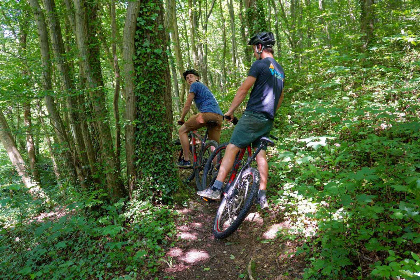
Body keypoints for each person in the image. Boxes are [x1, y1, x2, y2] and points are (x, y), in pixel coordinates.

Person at [197, 32, 285, 209]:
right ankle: (262, 195)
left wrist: (230, 111)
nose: (254, 52)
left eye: (254, 48)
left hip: (253, 115)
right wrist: (270, 113)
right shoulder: (279, 70)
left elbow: (244, 90)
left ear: (260, 47)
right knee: (260, 154)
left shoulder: (260, 64)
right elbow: (280, 97)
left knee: (232, 147)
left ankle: (216, 188)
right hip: (268, 118)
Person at [178, 69, 224, 167]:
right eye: (187, 78)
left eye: (191, 76)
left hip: (207, 114)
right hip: (219, 117)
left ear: (197, 78)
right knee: (214, 145)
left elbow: (187, 104)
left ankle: (186, 160)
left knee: (182, 131)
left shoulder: (194, 85)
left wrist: (182, 118)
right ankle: (215, 172)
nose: (189, 79)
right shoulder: (204, 88)